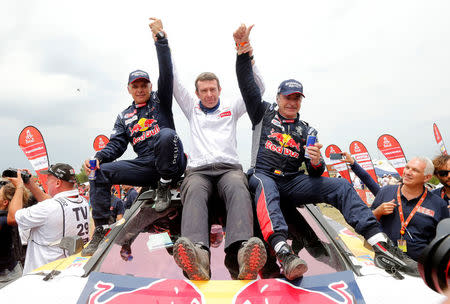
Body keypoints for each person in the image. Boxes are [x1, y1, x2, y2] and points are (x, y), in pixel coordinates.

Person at [234, 24, 419, 280]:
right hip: (263, 174)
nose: (292, 101)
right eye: (288, 96)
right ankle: (283, 251)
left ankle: (378, 243)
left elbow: (314, 172)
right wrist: (243, 50)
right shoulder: (262, 112)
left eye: (297, 98)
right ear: (277, 98)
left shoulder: (307, 129)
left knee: (340, 186)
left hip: (292, 180)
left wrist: (316, 161)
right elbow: (247, 85)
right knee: (266, 187)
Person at [167, 22, 267, 281]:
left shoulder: (232, 107)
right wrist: (162, 40)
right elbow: (174, 81)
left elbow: (259, 90)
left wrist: (247, 51)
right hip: (198, 171)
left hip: (228, 169)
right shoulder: (191, 108)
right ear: (197, 93)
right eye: (204, 90)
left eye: (213, 89)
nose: (209, 94)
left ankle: (242, 253)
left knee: (238, 186)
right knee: (194, 192)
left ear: (220, 90)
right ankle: (197, 256)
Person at [82, 18, 187, 256]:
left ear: (150, 86)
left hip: (171, 159)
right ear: (129, 88)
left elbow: (167, 73)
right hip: (146, 165)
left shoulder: (161, 100)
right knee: (99, 171)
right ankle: (101, 230)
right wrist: (98, 158)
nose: (140, 89)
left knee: (166, 134)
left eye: (144, 85)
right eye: (135, 85)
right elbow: (116, 145)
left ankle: (164, 185)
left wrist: (161, 40)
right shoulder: (124, 115)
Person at [7, 164, 90, 274]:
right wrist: (31, 185)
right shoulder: (82, 201)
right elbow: (51, 202)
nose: (45, 183)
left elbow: (12, 217)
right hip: (68, 266)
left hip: (44, 272)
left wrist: (19, 187)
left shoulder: (50, 207)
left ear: (57, 183)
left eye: (48, 179)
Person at [370, 157, 449, 260]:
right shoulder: (385, 192)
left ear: (427, 177)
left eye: (415, 170)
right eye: (407, 168)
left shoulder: (438, 204)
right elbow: (368, 222)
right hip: (384, 259)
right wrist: (377, 212)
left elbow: (444, 241)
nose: (408, 172)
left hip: (418, 266)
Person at [0, 179, 29, 287]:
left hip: (7, 276)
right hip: (13, 268)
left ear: (5, 202)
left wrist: (20, 186)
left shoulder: (4, 219)